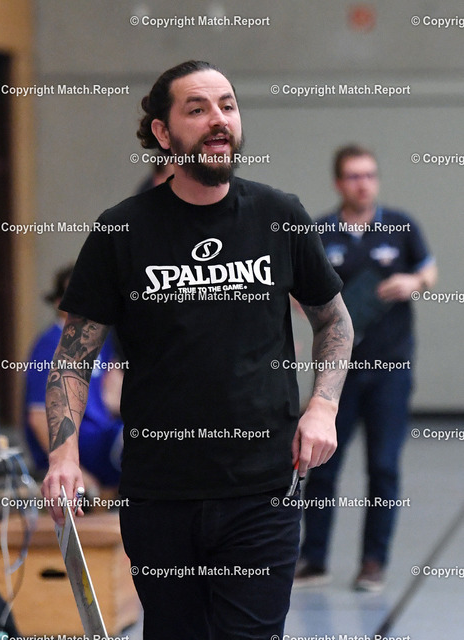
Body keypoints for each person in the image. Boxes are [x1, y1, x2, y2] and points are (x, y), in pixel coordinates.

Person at [41, 60, 354, 639]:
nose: (219, 119)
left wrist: (323, 406)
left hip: (262, 489)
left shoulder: (279, 216)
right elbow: (73, 357)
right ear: (163, 133)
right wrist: (64, 456)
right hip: (160, 494)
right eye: (198, 108)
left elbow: (334, 321)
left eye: (227, 106)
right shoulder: (121, 231)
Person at [294, 144, 437, 592]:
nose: (363, 184)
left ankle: (373, 562)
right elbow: (296, 289)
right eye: (354, 176)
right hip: (337, 375)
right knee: (321, 464)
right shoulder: (320, 231)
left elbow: (429, 270)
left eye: (370, 175)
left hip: (391, 369)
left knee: (384, 466)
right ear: (339, 183)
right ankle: (314, 559)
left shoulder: (401, 225)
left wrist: (414, 281)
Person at [24, 265, 123, 489]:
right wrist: (69, 468)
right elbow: (39, 417)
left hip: (104, 437)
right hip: (78, 445)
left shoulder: (102, 342)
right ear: (59, 302)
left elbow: (113, 399)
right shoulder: (50, 345)